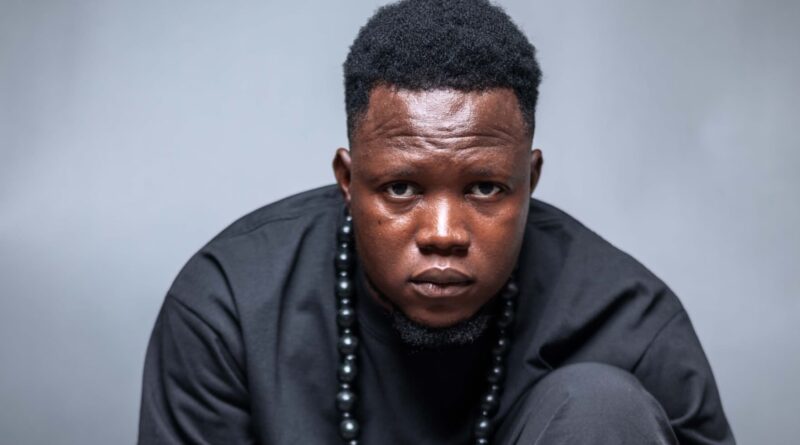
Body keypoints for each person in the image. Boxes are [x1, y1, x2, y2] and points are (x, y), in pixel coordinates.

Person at [138, 0, 735, 444]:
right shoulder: (229, 307)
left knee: (601, 409)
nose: (444, 234)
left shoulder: (631, 323)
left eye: (485, 188)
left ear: (530, 179)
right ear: (347, 180)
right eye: (400, 189)